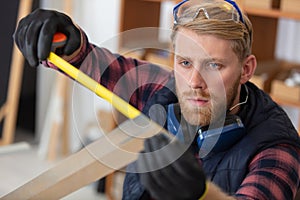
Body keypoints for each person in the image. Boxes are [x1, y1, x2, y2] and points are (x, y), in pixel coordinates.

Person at [13, 0, 300, 199]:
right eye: (185, 63)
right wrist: (65, 43)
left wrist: (204, 195)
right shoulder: (166, 88)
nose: (194, 83)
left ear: (246, 70)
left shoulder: (276, 145)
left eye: (214, 66)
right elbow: (92, 63)